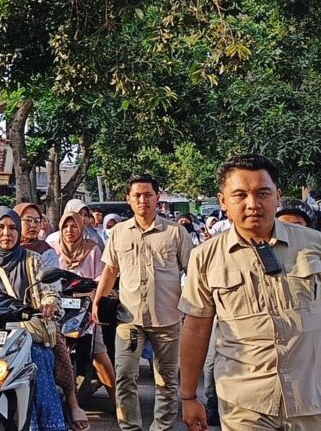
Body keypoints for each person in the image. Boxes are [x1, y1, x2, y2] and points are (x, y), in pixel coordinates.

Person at [180, 155, 321, 431]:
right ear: (223, 201)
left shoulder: (314, 245)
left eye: (263, 193)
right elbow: (196, 329)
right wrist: (188, 396)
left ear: (278, 196)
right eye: (240, 195)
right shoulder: (205, 257)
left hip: (312, 398)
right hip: (245, 405)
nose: (253, 204)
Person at [0, 209, 88, 430]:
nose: (6, 233)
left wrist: (48, 304)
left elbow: (49, 291)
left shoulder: (33, 261)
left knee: (40, 361)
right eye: (0, 227)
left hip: (26, 332)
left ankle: (56, 419)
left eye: (12, 228)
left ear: (18, 231)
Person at [92, 174, 195, 431]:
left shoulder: (175, 233)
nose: (142, 200)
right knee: (125, 377)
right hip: (129, 320)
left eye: (148, 195)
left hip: (168, 319)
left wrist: (189, 306)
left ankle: (161, 427)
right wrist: (97, 301)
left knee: (167, 381)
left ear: (157, 197)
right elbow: (110, 271)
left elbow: (192, 272)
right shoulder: (118, 232)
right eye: (137, 195)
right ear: (128, 199)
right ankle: (130, 427)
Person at [56, 210, 116, 404]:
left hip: (85, 308)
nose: (69, 230)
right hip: (57, 309)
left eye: (74, 226)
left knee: (99, 352)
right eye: (65, 226)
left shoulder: (92, 250)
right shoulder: (51, 249)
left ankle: (117, 401)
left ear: (81, 228)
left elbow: (100, 279)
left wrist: (91, 294)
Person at [17, 202, 61, 270]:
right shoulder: (5, 250)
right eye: (28, 220)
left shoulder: (46, 252)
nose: (33, 225)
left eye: (37, 221)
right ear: (15, 221)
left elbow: (53, 279)